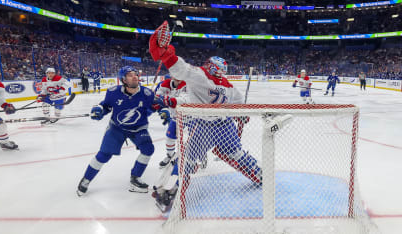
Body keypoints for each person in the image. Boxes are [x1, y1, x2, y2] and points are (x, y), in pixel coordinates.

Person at [148, 21, 292, 211]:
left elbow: (181, 68)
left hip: (203, 127)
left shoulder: (200, 76)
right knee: (237, 153)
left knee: (188, 161)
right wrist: (242, 116)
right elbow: (239, 105)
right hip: (226, 127)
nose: (206, 66)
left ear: (211, 66)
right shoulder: (228, 86)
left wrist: (166, 54)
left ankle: (172, 191)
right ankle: (259, 175)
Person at [77, 66, 160, 196]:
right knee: (104, 155)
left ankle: (135, 178)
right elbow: (105, 106)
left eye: (135, 74)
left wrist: (163, 110)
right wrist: (99, 111)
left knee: (148, 149)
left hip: (138, 128)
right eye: (130, 75)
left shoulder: (147, 93)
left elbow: (156, 105)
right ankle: (86, 179)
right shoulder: (113, 92)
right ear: (123, 80)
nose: (134, 76)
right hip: (117, 128)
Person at [154, 74, 187, 168]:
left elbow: (183, 100)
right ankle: (170, 156)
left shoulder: (186, 85)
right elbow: (158, 97)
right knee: (170, 137)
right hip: (175, 117)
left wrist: (167, 100)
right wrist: (156, 103)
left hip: (189, 118)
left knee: (188, 141)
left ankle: (194, 159)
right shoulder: (165, 85)